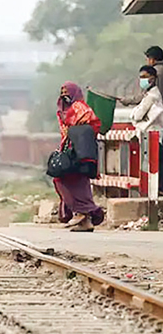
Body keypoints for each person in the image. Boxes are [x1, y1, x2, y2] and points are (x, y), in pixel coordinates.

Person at [54, 82, 105, 232]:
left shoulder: (80, 107)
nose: (65, 95)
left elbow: (89, 122)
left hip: (78, 152)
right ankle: (85, 220)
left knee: (69, 180)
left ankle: (85, 211)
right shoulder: (63, 111)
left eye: (67, 92)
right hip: (68, 150)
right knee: (71, 181)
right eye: (62, 92)